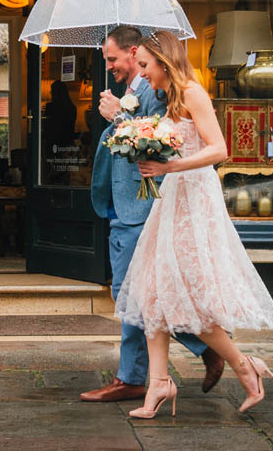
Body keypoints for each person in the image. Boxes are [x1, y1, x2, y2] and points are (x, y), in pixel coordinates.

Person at [116, 29, 273, 419]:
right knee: (152, 290)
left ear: (163, 61)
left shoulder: (192, 91)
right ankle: (158, 384)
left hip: (195, 200)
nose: (143, 74)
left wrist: (168, 165)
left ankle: (245, 366)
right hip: (173, 196)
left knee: (191, 296)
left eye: (145, 66)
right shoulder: (168, 98)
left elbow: (219, 149)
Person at [79, 25, 225, 404]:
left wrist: (118, 118)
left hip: (145, 204)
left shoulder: (156, 88)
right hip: (123, 201)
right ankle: (205, 350)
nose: (110, 66)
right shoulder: (134, 88)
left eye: (113, 58)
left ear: (134, 53)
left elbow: (161, 143)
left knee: (134, 294)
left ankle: (133, 377)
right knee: (132, 293)